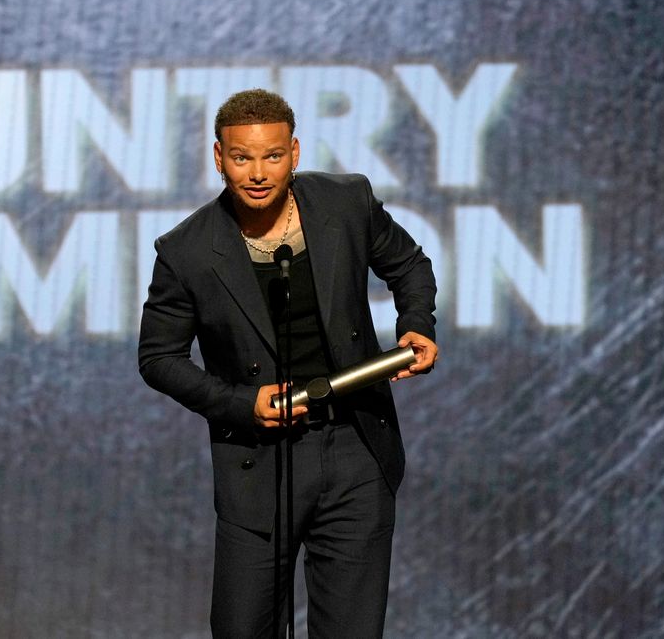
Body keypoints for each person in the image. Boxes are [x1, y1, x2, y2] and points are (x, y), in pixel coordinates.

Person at [137, 89, 438, 637]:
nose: (257, 172)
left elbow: (410, 264)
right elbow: (158, 357)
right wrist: (239, 403)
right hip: (258, 458)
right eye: (242, 157)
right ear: (218, 157)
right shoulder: (185, 251)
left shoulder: (346, 203)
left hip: (355, 449)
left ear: (294, 153)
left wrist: (416, 324)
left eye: (272, 156)